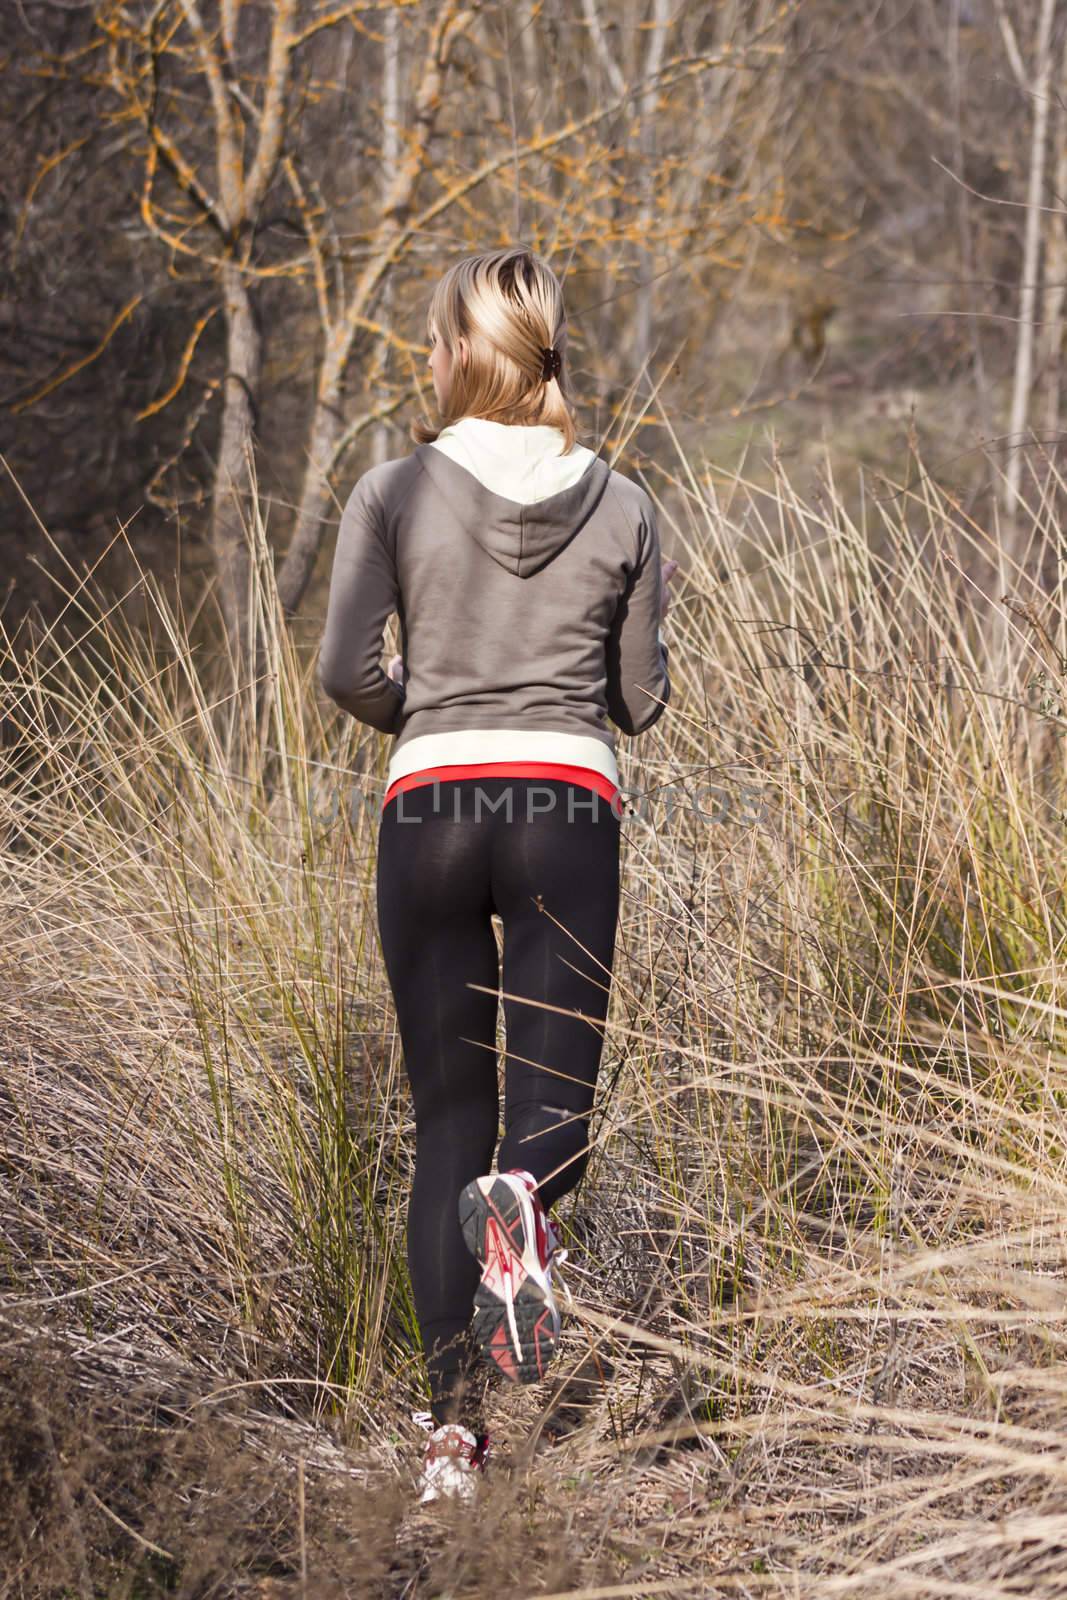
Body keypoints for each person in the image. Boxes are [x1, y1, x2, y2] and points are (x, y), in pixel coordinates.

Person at [317, 246, 676, 1503]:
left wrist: (436, 711)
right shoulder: (626, 503)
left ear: (463, 356)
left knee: (445, 1128)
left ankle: (449, 1451)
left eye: (434, 341)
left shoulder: (391, 490)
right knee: (544, 1125)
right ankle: (522, 1202)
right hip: (561, 806)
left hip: (428, 804)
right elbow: (637, 699)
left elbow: (346, 669)